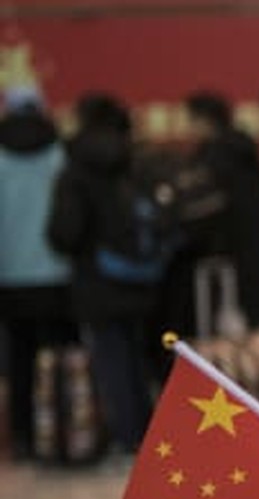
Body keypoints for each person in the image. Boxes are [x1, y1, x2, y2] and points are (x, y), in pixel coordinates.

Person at [46, 94, 156, 455]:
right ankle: (149, 435)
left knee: (109, 361)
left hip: (95, 278)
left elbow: (66, 230)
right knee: (136, 359)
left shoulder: (76, 168)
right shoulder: (134, 160)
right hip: (140, 275)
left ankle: (125, 439)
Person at [0, 86, 76, 462]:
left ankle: (24, 437)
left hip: (11, 278)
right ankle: (67, 435)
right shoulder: (60, 156)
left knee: (19, 361)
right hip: (60, 275)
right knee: (63, 358)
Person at [181, 92, 259, 334]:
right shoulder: (244, 150)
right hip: (253, 252)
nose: (189, 129)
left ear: (206, 121)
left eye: (192, 121)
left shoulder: (216, 157)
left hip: (227, 257)